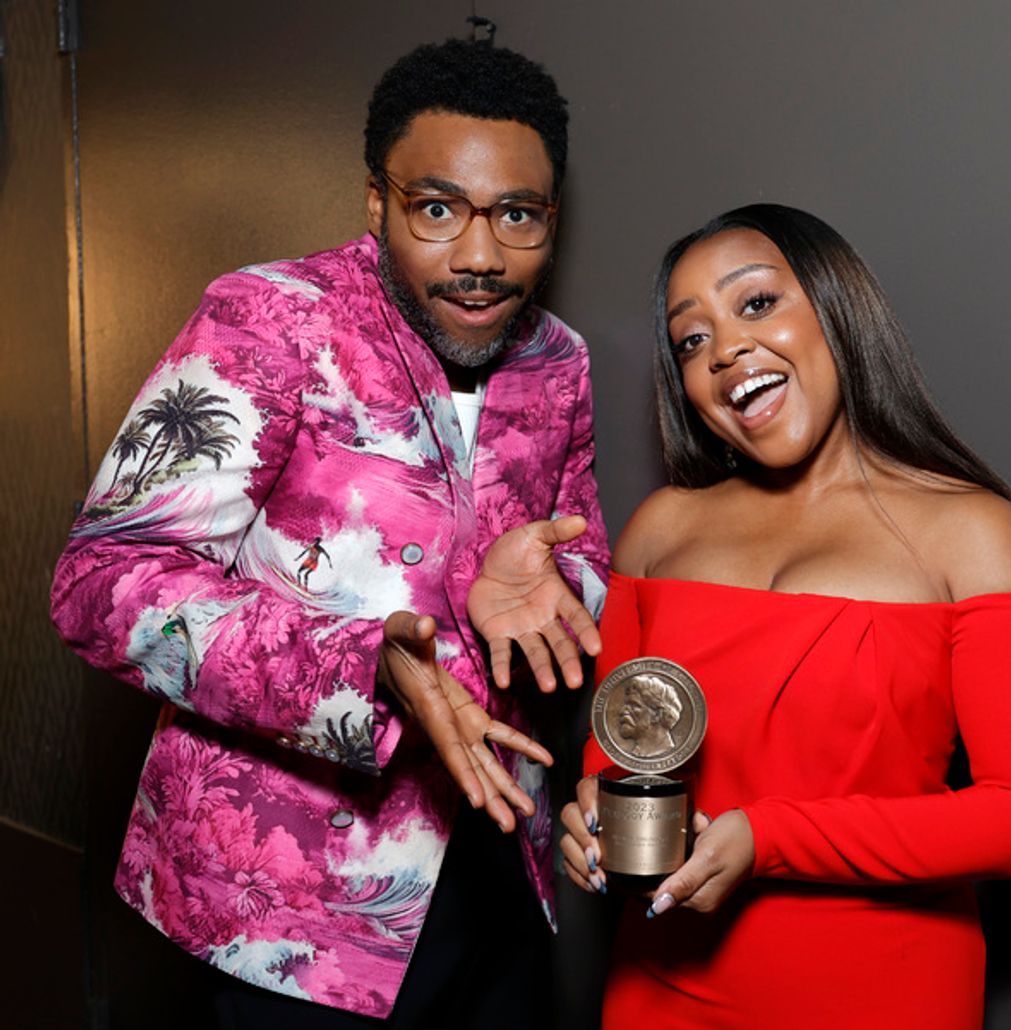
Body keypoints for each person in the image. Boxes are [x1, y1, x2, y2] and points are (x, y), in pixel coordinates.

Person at [51, 38, 609, 1027]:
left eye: (517, 216)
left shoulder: (557, 359)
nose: (480, 257)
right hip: (292, 906)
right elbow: (103, 582)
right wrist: (357, 667)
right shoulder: (270, 320)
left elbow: (583, 561)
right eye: (437, 208)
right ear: (376, 201)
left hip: (497, 862)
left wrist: (559, 580)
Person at [561, 204, 1011, 1029]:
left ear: (837, 305)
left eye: (756, 303)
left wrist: (769, 840)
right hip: (661, 983)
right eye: (692, 340)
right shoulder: (659, 530)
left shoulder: (973, 533)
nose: (725, 349)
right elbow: (621, 748)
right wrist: (592, 815)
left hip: (882, 991)